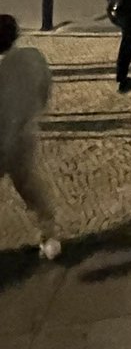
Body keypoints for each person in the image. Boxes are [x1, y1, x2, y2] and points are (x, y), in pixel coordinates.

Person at [0, 14, 61, 259]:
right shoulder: (33, 59)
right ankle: (50, 237)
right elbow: (45, 90)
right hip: (24, 136)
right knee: (30, 188)